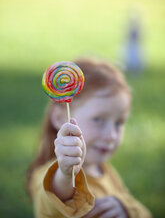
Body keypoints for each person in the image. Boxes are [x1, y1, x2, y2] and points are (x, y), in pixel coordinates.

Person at [27, 58, 152, 218]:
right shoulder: (47, 175)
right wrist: (65, 173)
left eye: (118, 123)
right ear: (59, 118)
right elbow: (53, 199)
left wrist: (126, 209)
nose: (111, 135)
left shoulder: (107, 172)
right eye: (98, 119)